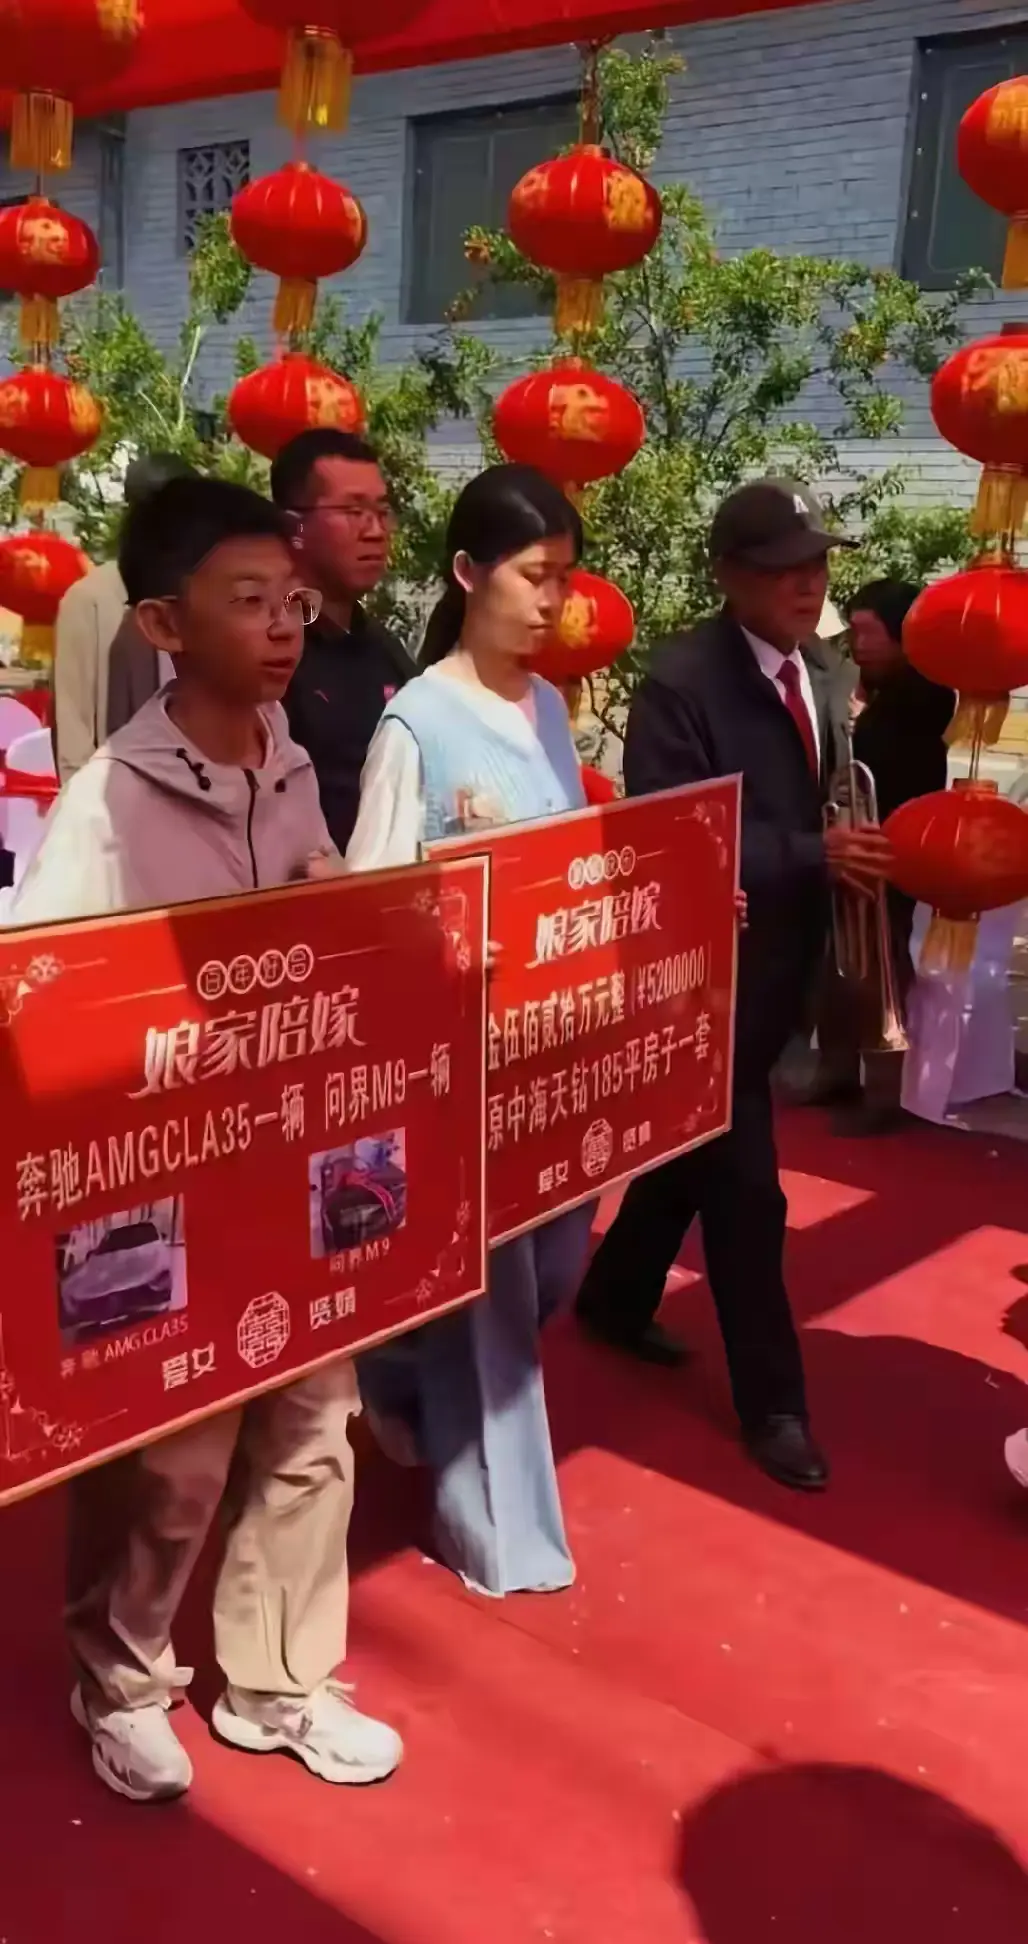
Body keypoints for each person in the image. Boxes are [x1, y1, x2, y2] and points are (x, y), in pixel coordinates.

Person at [11, 477, 401, 1804]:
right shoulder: (107, 802)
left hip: (294, 1162)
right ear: (166, 627)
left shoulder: (286, 762)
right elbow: (46, 1011)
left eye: (291, 601)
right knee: (171, 1456)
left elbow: (315, 929)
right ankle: (120, 1677)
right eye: (249, 603)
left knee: (315, 1421)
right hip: (165, 1193)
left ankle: (277, 1680)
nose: (284, 627)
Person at [575, 479, 893, 1491]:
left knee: (692, 1153)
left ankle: (614, 1298)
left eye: (818, 564)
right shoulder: (681, 680)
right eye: (784, 568)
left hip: (791, 963)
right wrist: (811, 853)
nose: (809, 584)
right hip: (706, 977)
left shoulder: (824, 667)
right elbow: (668, 832)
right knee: (750, 1197)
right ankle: (775, 1406)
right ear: (728, 575)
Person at [345, 463, 594, 1597]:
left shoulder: (549, 710)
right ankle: (493, 1526)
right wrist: (438, 949)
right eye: (533, 576)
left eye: (565, 579)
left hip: (556, 1052)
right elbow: (367, 909)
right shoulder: (417, 723)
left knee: (550, 1266)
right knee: (491, 1297)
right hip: (459, 1064)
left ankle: (397, 1369)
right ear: (465, 574)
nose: (552, 602)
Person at [811, 579, 955, 1131]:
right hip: (854, 840)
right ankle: (835, 1069)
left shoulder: (923, 695)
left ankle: (884, 1093)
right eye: (856, 632)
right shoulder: (877, 693)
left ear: (903, 637)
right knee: (837, 963)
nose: (859, 645)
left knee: (882, 969)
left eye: (871, 633)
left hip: (892, 846)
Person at [270, 429, 415, 850]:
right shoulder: (266, 655)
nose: (375, 531)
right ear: (294, 527)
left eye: (382, 511)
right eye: (353, 511)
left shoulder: (386, 651)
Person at [52, 452, 195, 781]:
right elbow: (73, 725)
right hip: (117, 791)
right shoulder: (90, 600)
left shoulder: (204, 589)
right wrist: (84, 801)